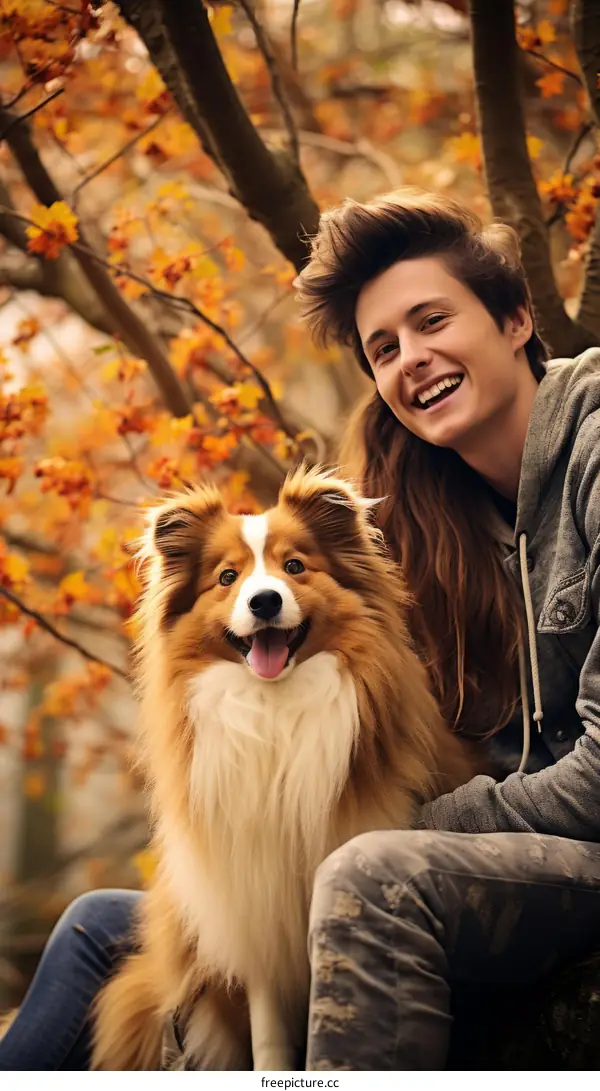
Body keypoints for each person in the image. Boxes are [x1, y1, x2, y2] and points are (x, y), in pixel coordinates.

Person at [1, 187, 600, 1070]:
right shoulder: (429, 516)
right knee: (100, 925)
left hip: (573, 847)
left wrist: (397, 820)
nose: (412, 359)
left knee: (362, 871)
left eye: (433, 320)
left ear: (516, 319)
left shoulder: (593, 453)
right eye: (383, 348)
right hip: (493, 851)